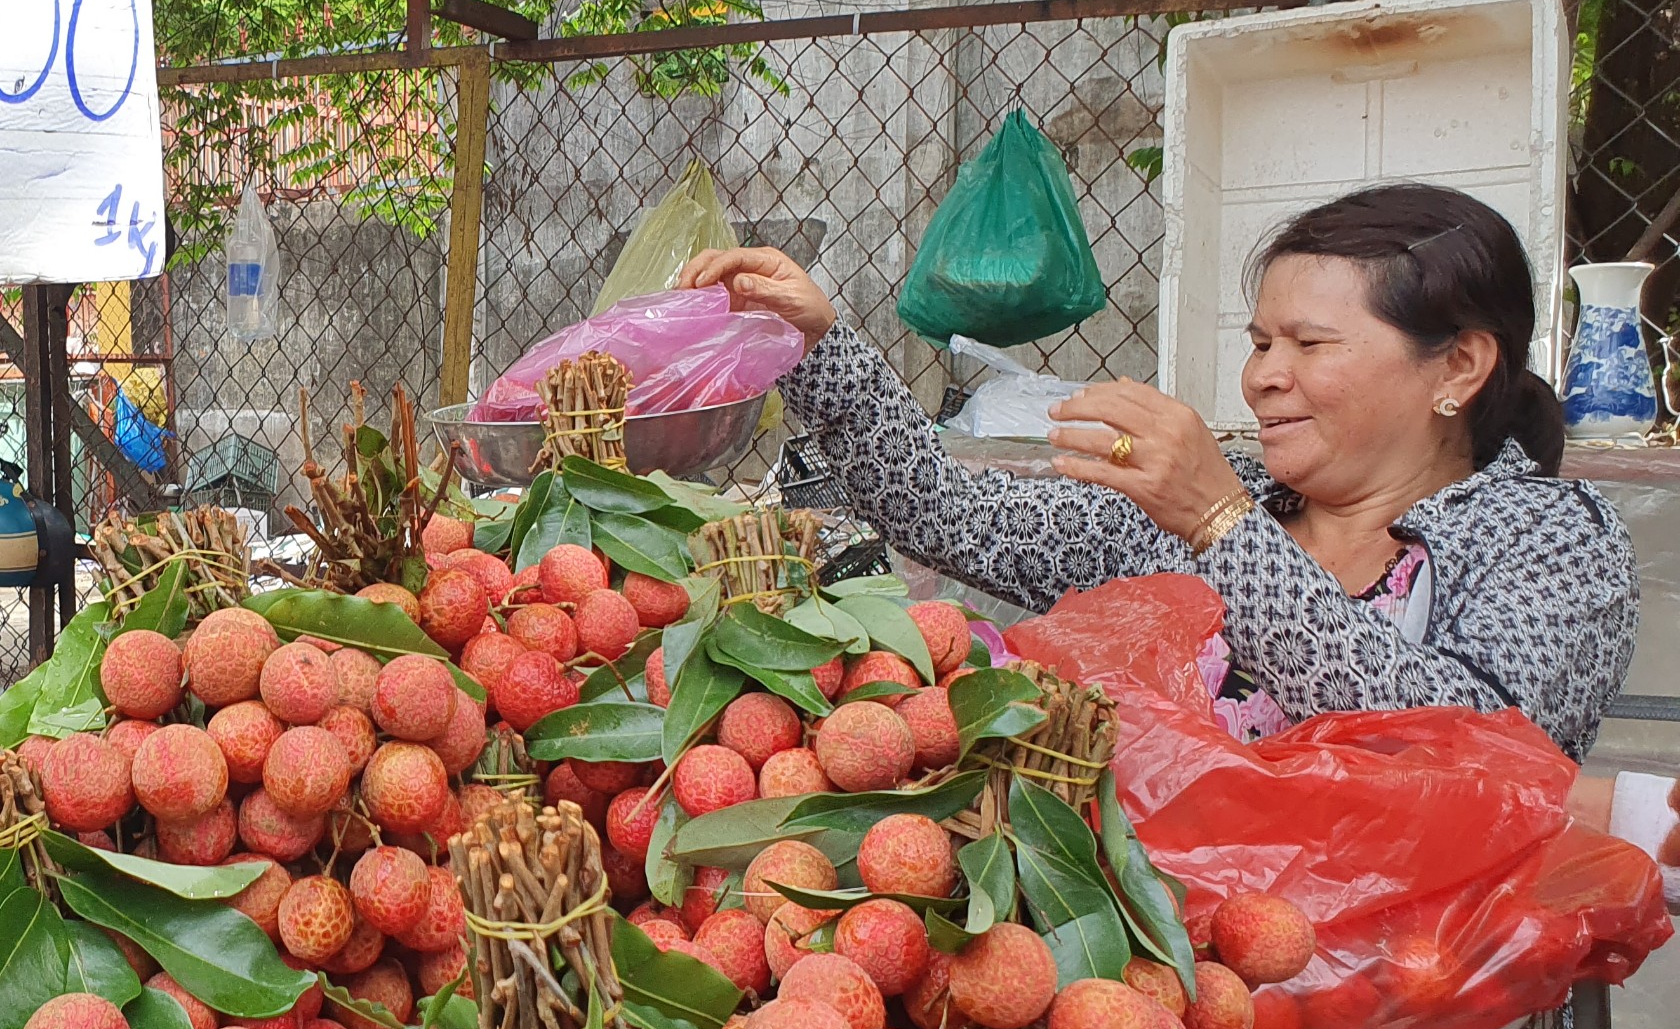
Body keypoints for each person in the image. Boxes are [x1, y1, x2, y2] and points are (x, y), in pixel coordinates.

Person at [681, 182, 1641, 761]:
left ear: (1460, 367)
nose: (1266, 376)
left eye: (1311, 343)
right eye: (1263, 341)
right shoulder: (1204, 498)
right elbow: (947, 512)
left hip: (1407, 1002)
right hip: (1159, 989)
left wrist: (1225, 528)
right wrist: (818, 343)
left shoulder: (1549, 538)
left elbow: (1461, 748)